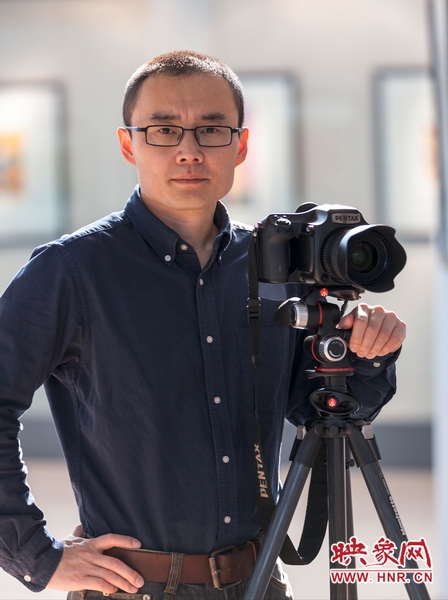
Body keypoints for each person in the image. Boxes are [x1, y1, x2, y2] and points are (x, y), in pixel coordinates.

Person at [0, 50, 405, 600]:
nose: (188, 150)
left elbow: (314, 410)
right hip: (133, 587)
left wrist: (368, 355)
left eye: (212, 130)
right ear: (129, 145)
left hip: (260, 581)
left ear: (240, 145)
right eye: (163, 130)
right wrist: (37, 557)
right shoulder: (71, 271)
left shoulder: (274, 269)